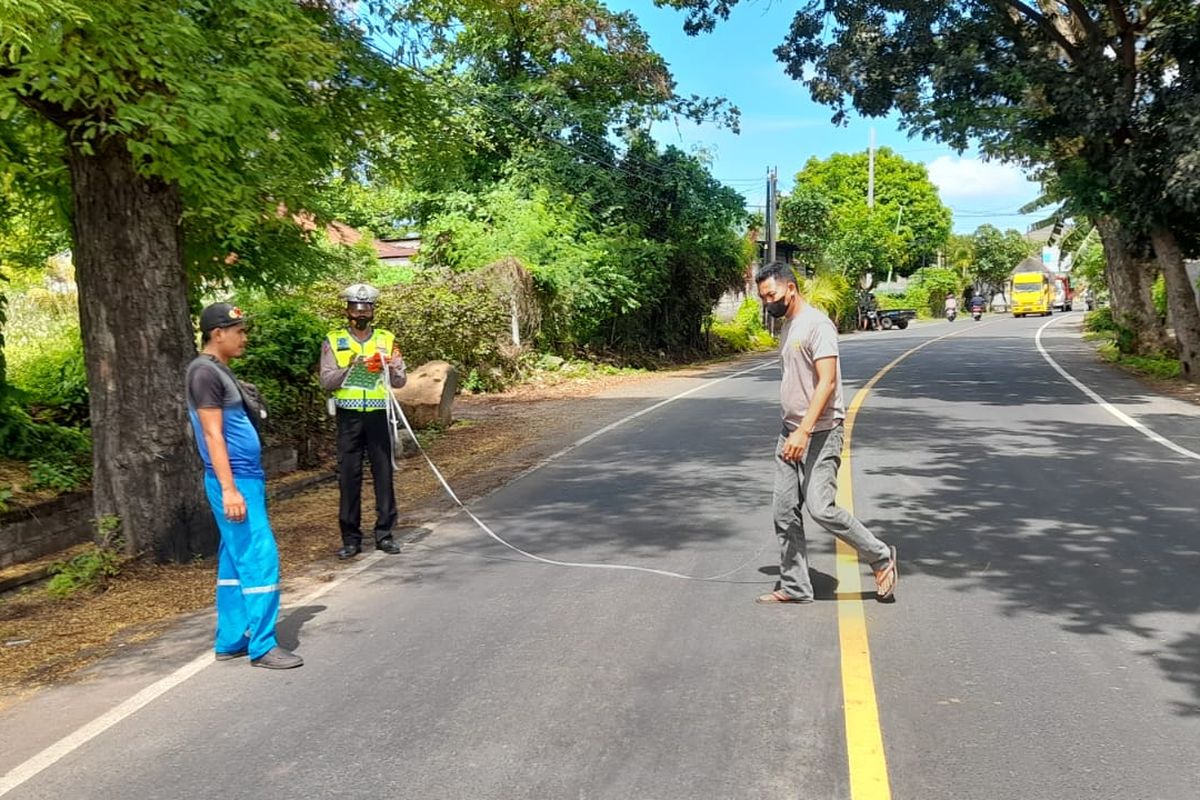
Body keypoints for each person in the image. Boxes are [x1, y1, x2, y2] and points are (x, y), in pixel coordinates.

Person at [753, 262, 898, 604]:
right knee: (784, 511)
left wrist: (804, 431)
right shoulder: (787, 327)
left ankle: (880, 557)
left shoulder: (817, 325)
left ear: (791, 288)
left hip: (819, 431)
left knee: (820, 507)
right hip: (789, 432)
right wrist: (793, 429)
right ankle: (795, 586)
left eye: (771, 295)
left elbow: (827, 382)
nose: (767, 303)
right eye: (763, 297)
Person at [186, 303, 303, 669]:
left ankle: (232, 639)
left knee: (233, 563)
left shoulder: (218, 371)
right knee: (259, 557)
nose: (244, 337)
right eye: (238, 331)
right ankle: (263, 646)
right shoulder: (203, 373)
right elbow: (212, 434)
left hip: (244, 477)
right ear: (217, 333)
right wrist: (230, 488)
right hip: (234, 480)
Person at [319, 283, 408, 560]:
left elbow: (400, 380)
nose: (362, 312)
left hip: (379, 413)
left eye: (367, 307)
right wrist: (352, 368)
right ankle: (351, 538)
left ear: (373, 310)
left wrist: (392, 367)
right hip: (349, 415)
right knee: (349, 476)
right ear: (347, 310)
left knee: (383, 473)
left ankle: (384, 533)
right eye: (357, 307)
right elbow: (325, 380)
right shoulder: (333, 340)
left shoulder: (386, 338)